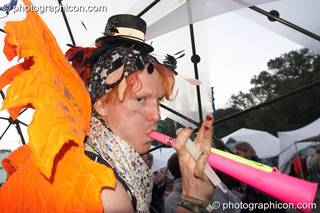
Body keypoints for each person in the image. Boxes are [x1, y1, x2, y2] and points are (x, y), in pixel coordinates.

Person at [68, 14, 215, 212]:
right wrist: (194, 201)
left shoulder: (114, 169)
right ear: (101, 105)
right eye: (140, 99)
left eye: (158, 101)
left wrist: (193, 198)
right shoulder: (107, 193)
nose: (156, 116)